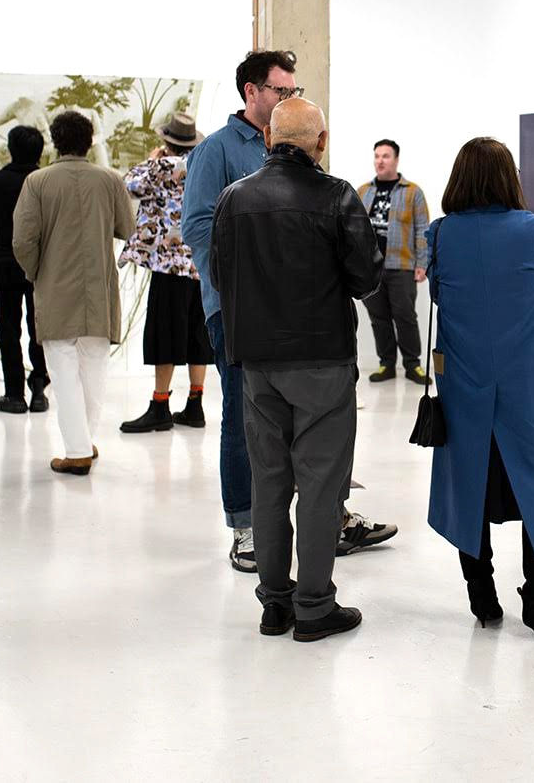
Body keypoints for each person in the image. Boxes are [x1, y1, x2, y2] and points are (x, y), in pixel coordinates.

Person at [182, 50, 396, 573]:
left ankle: (330, 517)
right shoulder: (217, 152)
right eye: (281, 90)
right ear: (251, 92)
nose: (289, 98)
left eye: (294, 91)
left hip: (301, 314)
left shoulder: (298, 148)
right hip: (239, 313)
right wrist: (243, 289)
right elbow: (200, 228)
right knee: (245, 421)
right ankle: (247, 528)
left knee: (314, 428)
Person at [211, 98, 382, 642]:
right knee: (320, 485)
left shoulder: (234, 198)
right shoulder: (337, 197)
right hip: (323, 362)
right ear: (322, 142)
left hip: (258, 363)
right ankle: (313, 606)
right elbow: (366, 278)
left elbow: (219, 272)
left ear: (267, 139)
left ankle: (274, 604)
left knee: (269, 482)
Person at [427, 137, 534, 639]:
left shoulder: (441, 234)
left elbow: (438, 291)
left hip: (462, 374)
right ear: (509, 178)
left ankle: (482, 596)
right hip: (525, 374)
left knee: (469, 476)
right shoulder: (533, 229)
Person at [13, 111, 137, 475]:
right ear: (90, 141)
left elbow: (22, 240)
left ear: (54, 141)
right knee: (94, 370)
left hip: (55, 288)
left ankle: (78, 449)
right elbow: (127, 228)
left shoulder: (37, 182)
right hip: (99, 288)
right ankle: (83, 442)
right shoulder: (111, 179)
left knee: (63, 373)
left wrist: (37, 272)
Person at [119, 112, 210, 433]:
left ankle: (160, 404)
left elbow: (128, 185)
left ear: (166, 143)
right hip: (200, 266)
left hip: (168, 267)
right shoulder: (203, 167)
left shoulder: (160, 168)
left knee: (164, 333)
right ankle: (195, 405)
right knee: (199, 334)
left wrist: (150, 161)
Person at [0, 125, 51, 414]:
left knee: (8, 326)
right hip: (42, 262)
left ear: (10, 148)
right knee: (40, 326)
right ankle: (39, 386)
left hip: (6, 259)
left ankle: (14, 392)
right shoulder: (47, 182)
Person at [355, 139, 432, 384]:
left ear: (396, 160)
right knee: (378, 318)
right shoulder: (363, 191)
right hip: (371, 268)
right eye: (377, 156)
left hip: (401, 265)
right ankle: (386, 364)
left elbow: (422, 230)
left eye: (385, 156)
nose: (380, 161)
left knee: (405, 316)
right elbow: (354, 228)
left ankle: (413, 365)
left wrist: (423, 263)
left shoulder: (413, 192)